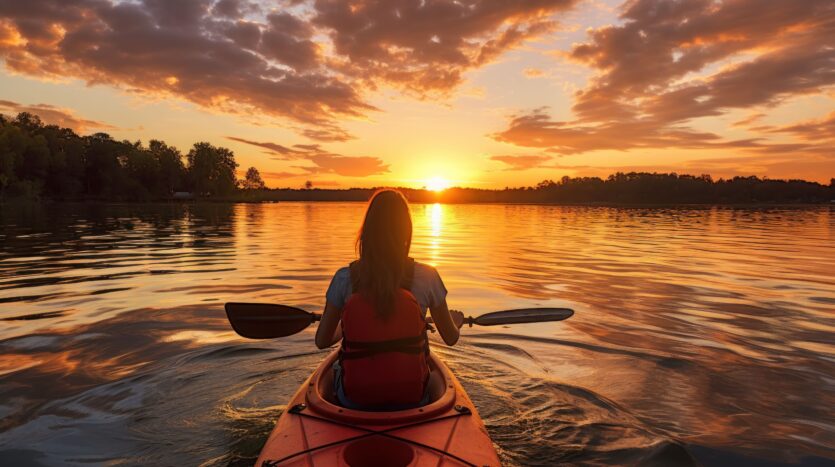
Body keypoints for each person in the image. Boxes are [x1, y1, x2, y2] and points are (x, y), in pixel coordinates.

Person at [315, 189, 464, 410]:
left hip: (355, 400)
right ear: (406, 231)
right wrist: (456, 322)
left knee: (328, 374)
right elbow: (450, 338)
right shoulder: (428, 276)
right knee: (434, 378)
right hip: (412, 399)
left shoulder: (344, 278)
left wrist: (342, 329)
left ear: (367, 231)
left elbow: (322, 341)